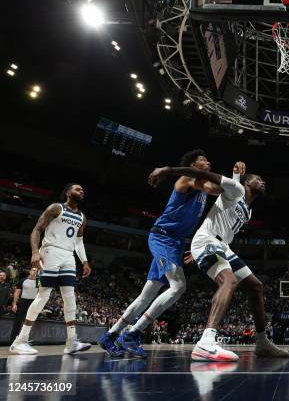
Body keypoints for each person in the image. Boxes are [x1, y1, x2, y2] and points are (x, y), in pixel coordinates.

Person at [149, 161, 288, 362]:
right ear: (248, 183)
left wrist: (199, 254)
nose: (263, 182)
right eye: (259, 179)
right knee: (229, 281)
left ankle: (262, 341)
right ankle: (205, 342)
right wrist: (167, 170)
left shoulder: (249, 210)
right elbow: (201, 174)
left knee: (255, 286)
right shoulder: (236, 188)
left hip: (221, 246)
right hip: (208, 240)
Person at [99, 150, 220, 358]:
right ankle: (133, 333)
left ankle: (110, 335)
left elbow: (214, 188)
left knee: (147, 294)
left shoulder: (201, 186)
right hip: (163, 237)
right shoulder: (187, 178)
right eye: (203, 159)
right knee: (179, 286)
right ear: (193, 164)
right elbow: (214, 188)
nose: (208, 161)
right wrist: (235, 184)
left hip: (175, 242)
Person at [10, 183, 92, 355]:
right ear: (68, 192)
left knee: (70, 297)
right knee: (43, 295)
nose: (81, 191)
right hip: (50, 251)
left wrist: (84, 261)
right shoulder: (56, 208)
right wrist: (34, 252)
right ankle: (20, 340)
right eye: (77, 189)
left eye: (82, 189)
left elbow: (78, 241)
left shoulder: (82, 217)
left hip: (68, 256)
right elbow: (37, 229)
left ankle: (71, 341)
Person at [10, 268, 39, 342]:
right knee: (18, 321)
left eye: (36, 271)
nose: (35, 271)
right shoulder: (23, 280)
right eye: (33, 270)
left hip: (33, 302)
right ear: (29, 271)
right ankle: (13, 340)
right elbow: (17, 292)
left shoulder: (39, 281)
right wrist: (14, 304)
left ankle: (25, 339)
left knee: (30, 321)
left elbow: (41, 292)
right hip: (23, 301)